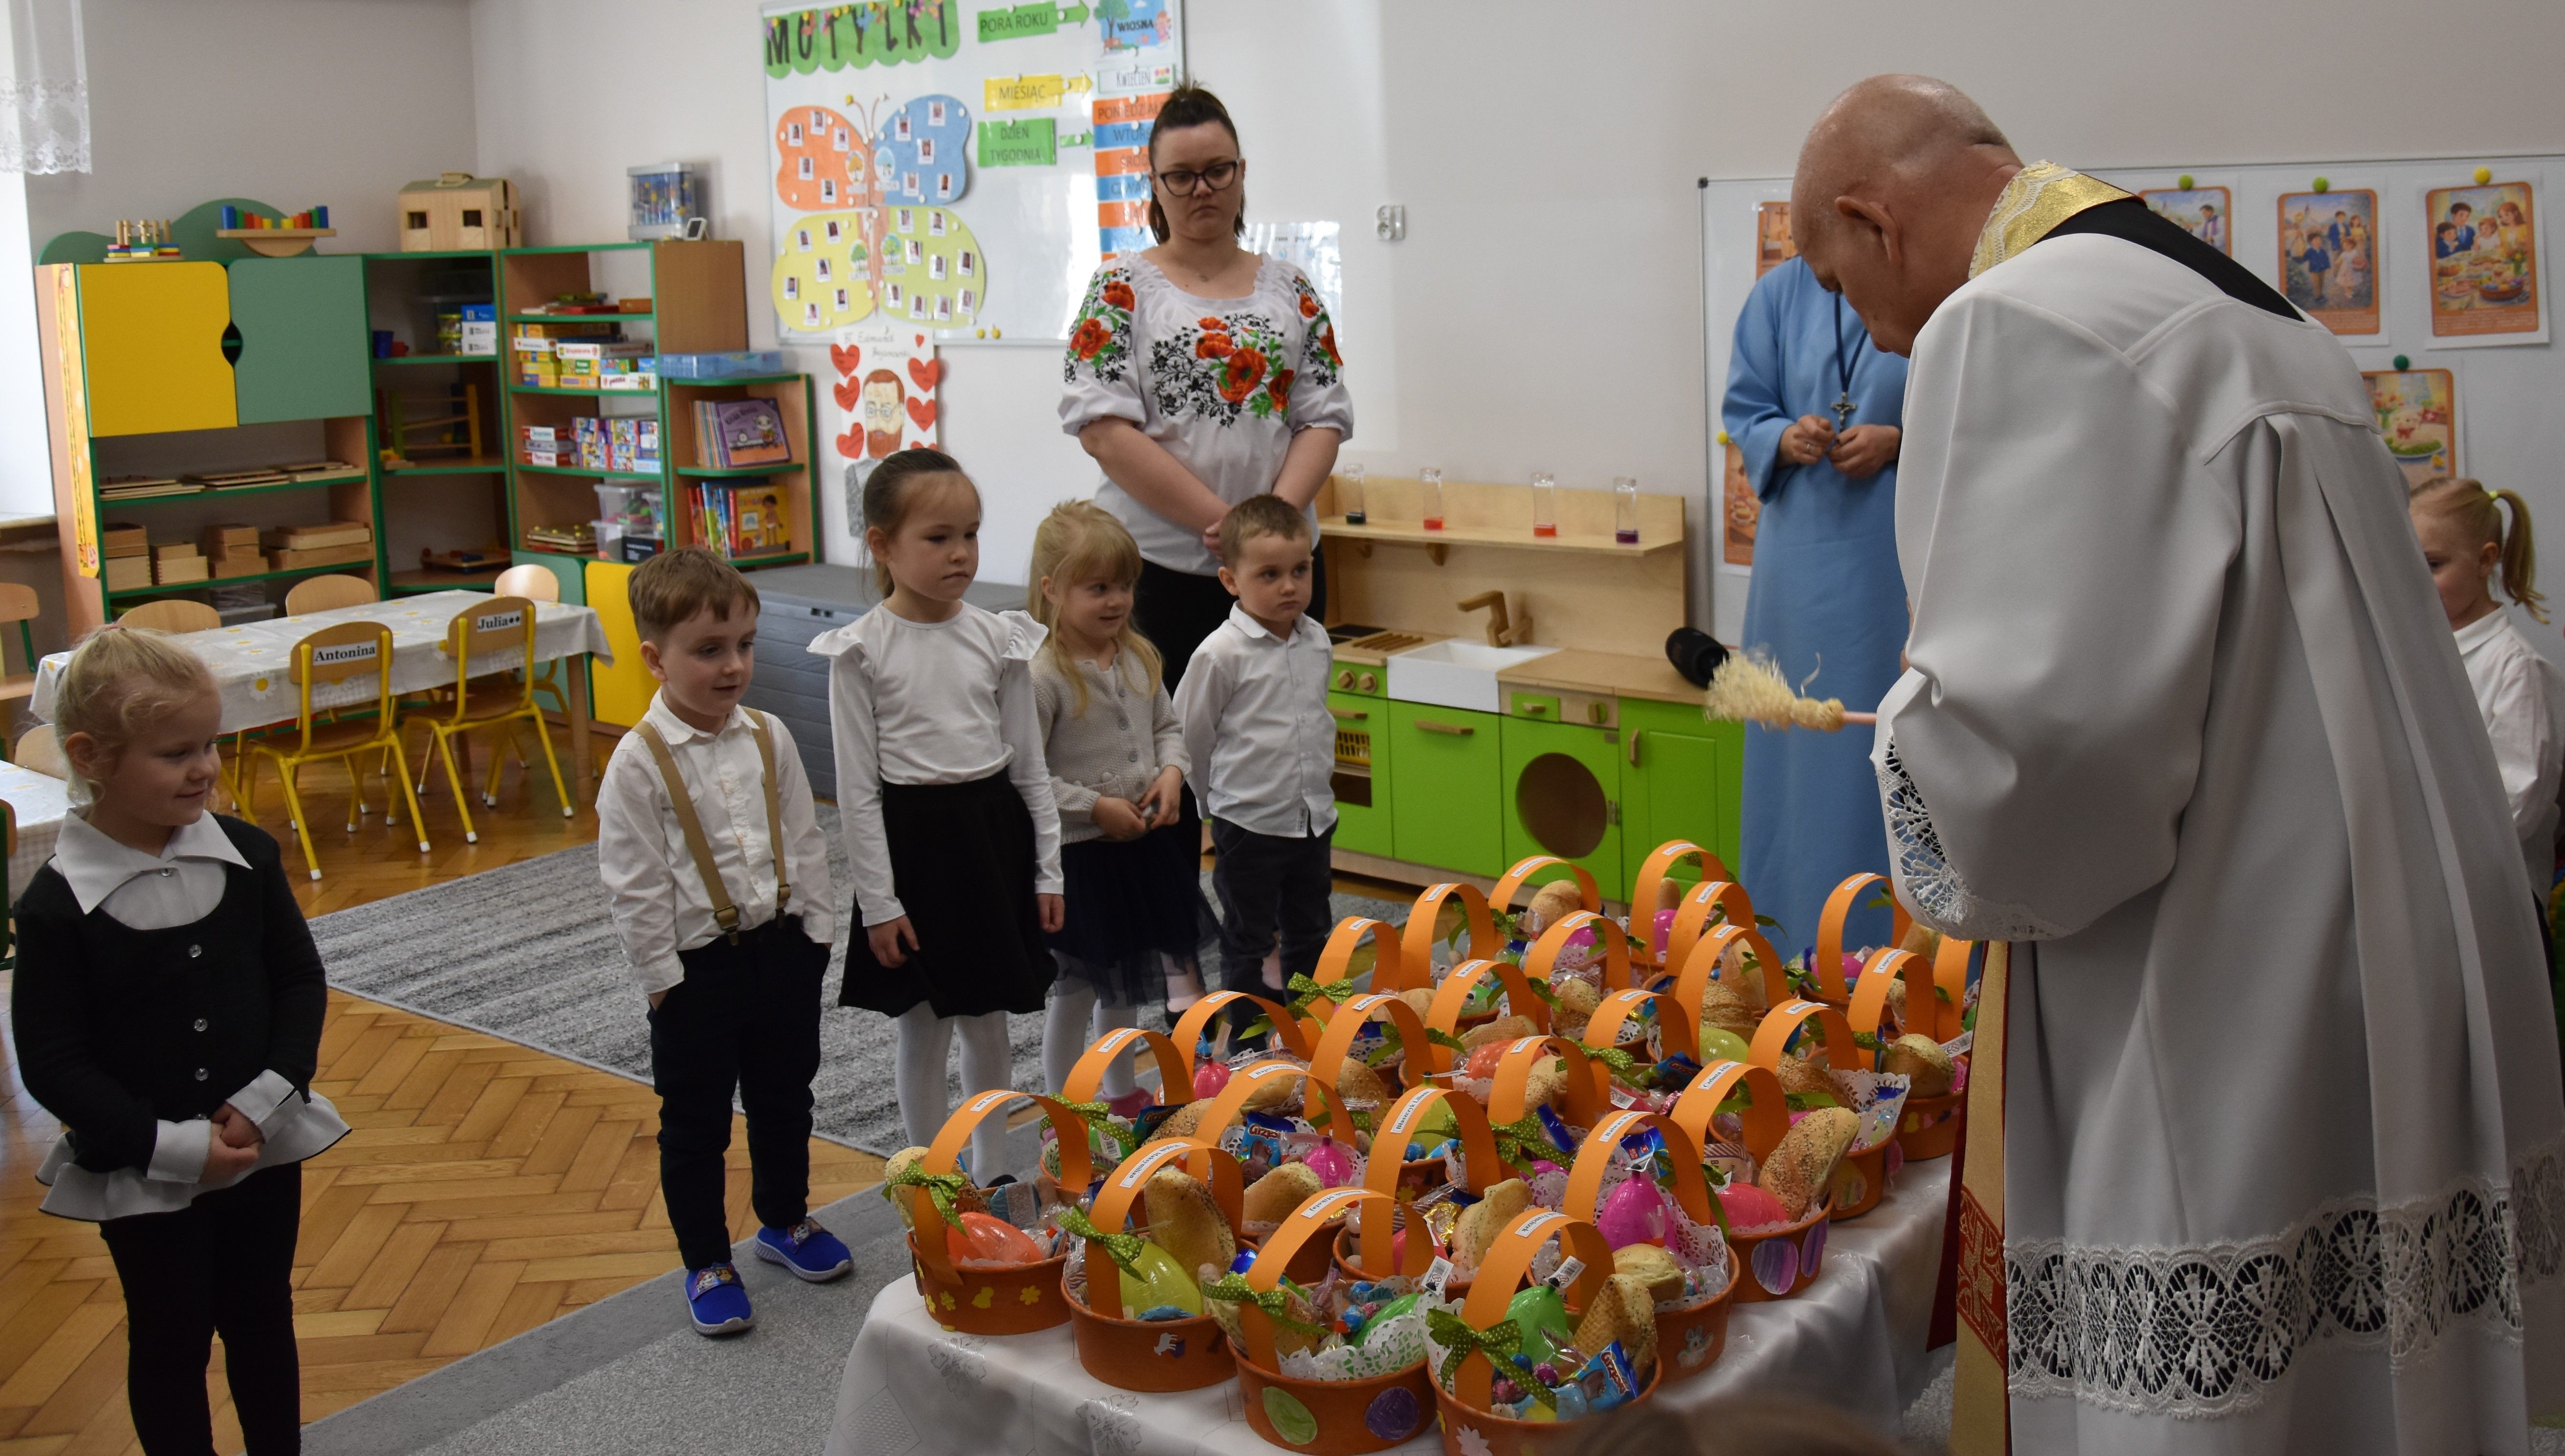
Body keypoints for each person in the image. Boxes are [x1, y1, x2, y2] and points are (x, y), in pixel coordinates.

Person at [1794, 74, 2565, 1453]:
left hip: (2217, 997)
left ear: (1872, 221)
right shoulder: (2263, 321)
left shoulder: (2012, 321)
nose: (1867, 331)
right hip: (2377, 970)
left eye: (1838, 285)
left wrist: (1912, 734)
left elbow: (2035, 787)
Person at [11, 627, 348, 1454]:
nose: (204, 768)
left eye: (209, 745)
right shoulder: (56, 905)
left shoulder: (249, 855)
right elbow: (52, 1059)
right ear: (91, 756)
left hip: (260, 1144)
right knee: (170, 1338)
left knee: (262, 1316)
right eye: (175, 753)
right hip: (143, 1168)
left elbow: (298, 980)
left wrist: (265, 1099)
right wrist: (168, 1144)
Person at [597, 547, 847, 1336]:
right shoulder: (637, 763)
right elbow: (634, 883)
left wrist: (816, 932)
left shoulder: (770, 736)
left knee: (785, 1097)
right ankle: (707, 1258)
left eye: (744, 644)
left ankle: (785, 1218)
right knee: (696, 1122)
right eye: (709, 650)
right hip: (695, 972)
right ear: (655, 658)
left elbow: (804, 840)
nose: (733, 665)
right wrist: (660, 979)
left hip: (782, 953)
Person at [818, 448, 1065, 1178]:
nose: (961, 552)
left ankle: (993, 1171)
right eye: (938, 537)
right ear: (882, 545)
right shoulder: (860, 652)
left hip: (990, 842)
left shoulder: (999, 638)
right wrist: (879, 904)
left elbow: (1030, 769)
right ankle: (930, 1176)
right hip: (914, 849)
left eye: (971, 534)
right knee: (922, 1028)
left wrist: (1048, 871)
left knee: (988, 1023)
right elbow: (857, 793)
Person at [1061, 83, 1354, 688]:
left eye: (1217, 171)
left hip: (1281, 573)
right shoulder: (1118, 289)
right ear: (1154, 184)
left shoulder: (1292, 288)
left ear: (1241, 174)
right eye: (1181, 176)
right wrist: (1230, 528)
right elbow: (1103, 430)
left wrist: (1267, 532)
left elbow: (1323, 416)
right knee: (1167, 738)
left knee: (1284, 731)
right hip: (1153, 573)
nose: (1202, 188)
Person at [1720, 217, 1909, 954]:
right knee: (1795, 760)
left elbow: (1978, 415)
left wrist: (1900, 439)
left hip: (1890, 563)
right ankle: (1787, 943)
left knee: (1886, 748)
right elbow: (1745, 408)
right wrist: (1780, 435)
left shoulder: (1924, 288)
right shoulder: (1775, 296)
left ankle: (1893, 955)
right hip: (1796, 565)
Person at [1026, 501, 1211, 1102]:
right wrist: (1094, 806)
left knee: (1127, 982)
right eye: (1098, 588)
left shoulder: (1137, 655)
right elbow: (1026, 775)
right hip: (1081, 860)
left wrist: (1172, 773)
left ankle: (1120, 1087)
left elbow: (1168, 727)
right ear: (1052, 589)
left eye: (1125, 585)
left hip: (1139, 852)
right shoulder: (1042, 676)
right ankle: (1063, 1104)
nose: (1116, 601)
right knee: (1078, 991)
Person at [1174, 495, 1334, 1045]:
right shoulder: (1220, 654)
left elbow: (1313, 721)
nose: (1289, 586)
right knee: (1247, 936)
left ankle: (1311, 1029)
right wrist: (1209, 805)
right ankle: (1246, 1043)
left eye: (1300, 570)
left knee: (1312, 930)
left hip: (1311, 819)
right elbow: (1190, 734)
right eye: (1269, 574)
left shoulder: (1316, 640)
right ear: (1230, 580)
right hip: (1247, 823)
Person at [2409, 476, 2565, 900]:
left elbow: (2517, 802)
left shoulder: (2517, 668)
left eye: (2433, 565)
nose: (2416, 581)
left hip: (2497, 893)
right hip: (2433, 882)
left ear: (2484, 561)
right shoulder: (2418, 653)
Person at [2300, 226, 2332, 304]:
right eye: (2316, 240)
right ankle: (2318, 297)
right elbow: (2304, 259)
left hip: (2322, 270)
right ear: (2311, 242)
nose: (2318, 242)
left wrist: (2328, 267)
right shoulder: (2309, 251)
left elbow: (2326, 259)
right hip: (2314, 270)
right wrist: (2301, 256)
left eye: (2319, 240)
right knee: (2316, 284)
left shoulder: (2323, 251)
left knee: (2321, 283)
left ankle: (2320, 295)